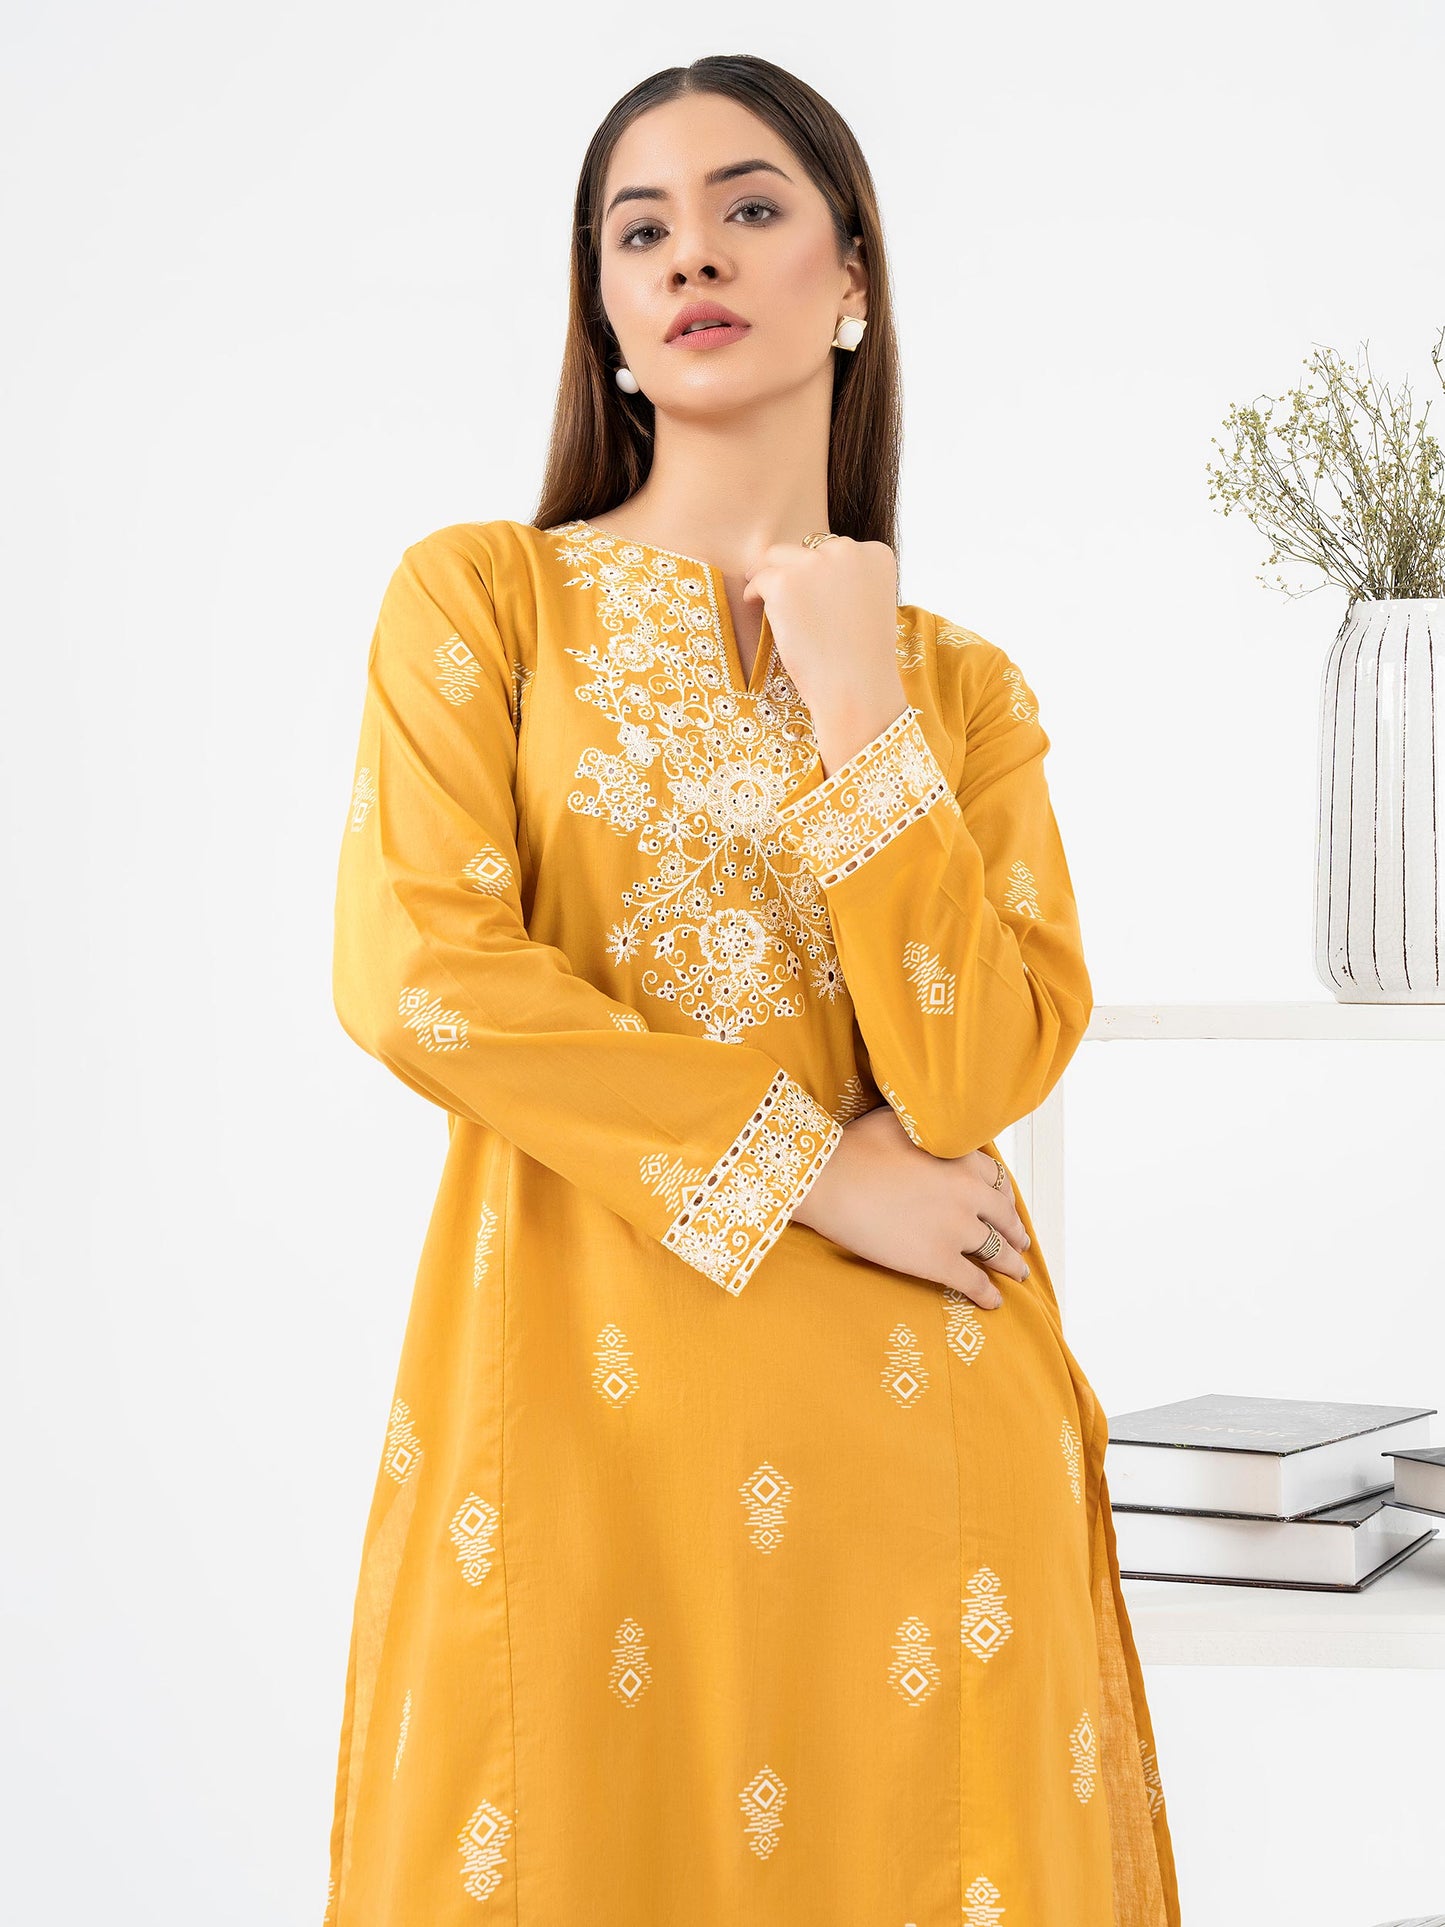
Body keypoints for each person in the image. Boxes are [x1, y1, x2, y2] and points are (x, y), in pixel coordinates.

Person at [323, 52, 1181, 1927]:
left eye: (749, 208)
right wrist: (810, 1167)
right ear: (605, 311)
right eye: (640, 230)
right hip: (580, 1431)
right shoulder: (484, 605)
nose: (690, 255)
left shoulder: (957, 689)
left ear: (852, 275)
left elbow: (977, 1072)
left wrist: (859, 703)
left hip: (920, 1455)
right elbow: (419, 976)